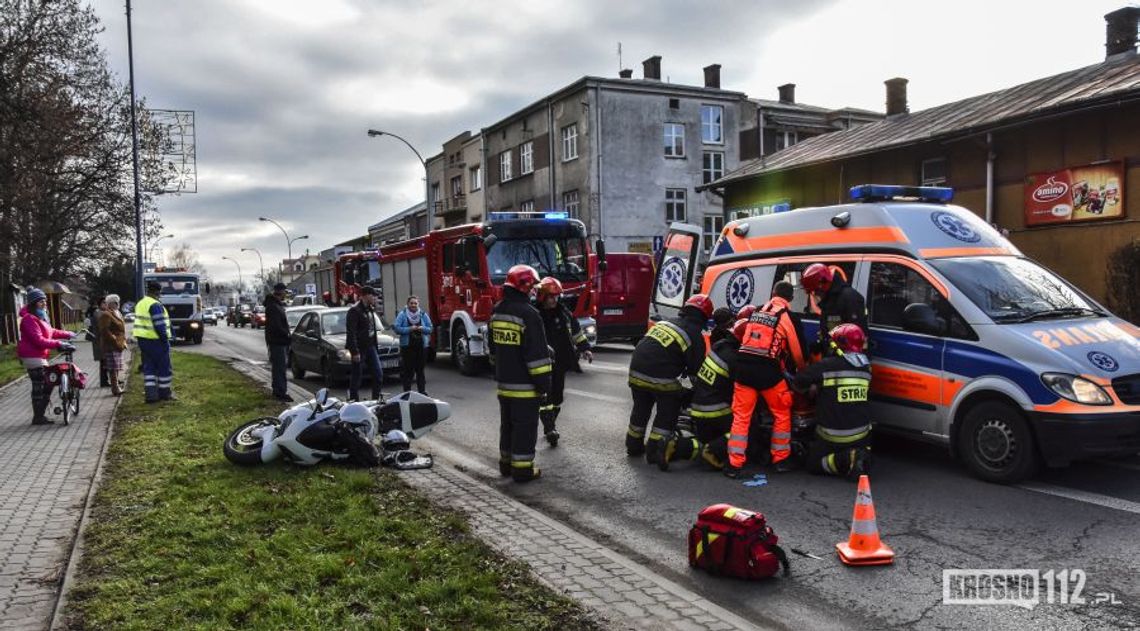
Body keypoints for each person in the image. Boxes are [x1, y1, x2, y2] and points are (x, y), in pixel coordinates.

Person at [727, 281, 806, 477]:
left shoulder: (757, 311)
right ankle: (780, 459)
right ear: (791, 299)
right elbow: (797, 351)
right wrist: (802, 371)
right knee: (781, 411)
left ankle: (734, 465)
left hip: (743, 368)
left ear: (773, 293)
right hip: (768, 372)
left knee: (741, 417)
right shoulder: (786, 317)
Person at [626, 294, 710, 470]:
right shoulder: (694, 334)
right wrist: (701, 394)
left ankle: (633, 446)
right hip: (660, 376)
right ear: (704, 317)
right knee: (668, 409)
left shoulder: (666, 322)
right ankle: (655, 450)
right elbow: (697, 372)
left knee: (640, 409)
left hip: (635, 371)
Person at [489, 265, 551, 483]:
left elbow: (493, 348)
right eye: (533, 286)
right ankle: (523, 470)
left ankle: (506, 465)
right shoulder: (529, 314)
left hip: (504, 384)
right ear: (524, 287)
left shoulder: (497, 310)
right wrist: (544, 386)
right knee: (525, 428)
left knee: (507, 426)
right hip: (525, 387)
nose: (534, 291)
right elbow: (537, 358)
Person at [792, 324, 872, 480]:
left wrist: (813, 388)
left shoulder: (827, 365)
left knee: (813, 464)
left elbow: (798, 382)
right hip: (862, 435)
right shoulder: (866, 368)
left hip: (833, 436)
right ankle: (860, 455)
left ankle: (847, 459)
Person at [534, 277, 592, 447]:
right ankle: (550, 428)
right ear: (542, 296)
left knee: (557, 396)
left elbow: (576, 332)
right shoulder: (534, 314)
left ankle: (551, 422)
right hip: (542, 362)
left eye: (556, 296)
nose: (554, 300)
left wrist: (585, 348)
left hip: (560, 360)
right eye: (551, 297)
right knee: (546, 396)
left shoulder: (564, 312)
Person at [17, 288, 77, 424]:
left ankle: (39, 416)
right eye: (40, 301)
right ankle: (38, 417)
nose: (44, 303)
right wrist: (58, 344)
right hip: (32, 356)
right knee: (43, 384)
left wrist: (67, 334)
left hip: (39, 356)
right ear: (33, 303)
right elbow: (38, 340)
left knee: (45, 384)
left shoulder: (40, 317)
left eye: (45, 301)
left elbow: (51, 331)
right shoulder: (29, 319)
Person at [801, 263, 868, 353]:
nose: (814, 294)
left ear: (821, 285)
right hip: (834, 356)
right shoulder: (830, 299)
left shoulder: (850, 298)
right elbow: (831, 330)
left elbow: (858, 337)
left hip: (847, 360)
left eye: (814, 290)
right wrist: (821, 345)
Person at [135, 280, 175, 403]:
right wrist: (165, 339)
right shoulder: (155, 305)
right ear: (158, 292)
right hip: (156, 341)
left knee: (149, 369)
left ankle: (151, 396)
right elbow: (159, 324)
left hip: (143, 341)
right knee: (164, 368)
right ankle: (164, 394)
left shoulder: (141, 303)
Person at [346, 285, 383, 401]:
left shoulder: (370, 309)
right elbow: (351, 333)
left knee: (378, 374)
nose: (375, 298)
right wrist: (354, 351)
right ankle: (354, 400)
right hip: (360, 348)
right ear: (365, 296)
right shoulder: (355, 311)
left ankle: (375, 400)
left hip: (371, 346)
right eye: (373, 295)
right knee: (357, 376)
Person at [394, 295, 433, 395]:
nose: (413, 305)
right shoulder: (402, 315)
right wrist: (409, 329)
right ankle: (407, 393)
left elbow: (430, 328)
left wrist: (422, 328)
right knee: (408, 371)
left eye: (415, 303)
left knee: (420, 370)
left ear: (418, 304)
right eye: (411, 303)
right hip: (407, 347)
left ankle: (422, 391)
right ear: (408, 304)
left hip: (421, 347)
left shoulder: (423, 314)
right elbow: (396, 328)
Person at [264, 282, 293, 402]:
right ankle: (280, 392)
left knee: (280, 367)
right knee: (279, 368)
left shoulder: (276, 305)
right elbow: (276, 326)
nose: (285, 294)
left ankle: (280, 390)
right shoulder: (273, 306)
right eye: (284, 292)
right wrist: (286, 334)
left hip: (279, 341)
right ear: (280, 292)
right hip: (278, 341)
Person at [97, 294, 127, 396]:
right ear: (110, 303)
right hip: (111, 345)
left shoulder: (117, 313)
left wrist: (123, 340)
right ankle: (115, 388)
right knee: (113, 368)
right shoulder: (106, 314)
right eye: (115, 302)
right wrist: (114, 339)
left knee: (117, 367)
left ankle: (117, 386)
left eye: (118, 302)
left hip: (118, 345)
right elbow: (104, 330)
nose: (118, 304)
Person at [86, 297, 108, 387]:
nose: (106, 304)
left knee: (105, 361)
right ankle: (104, 382)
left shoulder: (100, 313)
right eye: (104, 303)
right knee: (104, 362)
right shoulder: (98, 314)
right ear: (100, 304)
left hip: (101, 341)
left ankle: (105, 380)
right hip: (100, 341)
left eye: (106, 303)